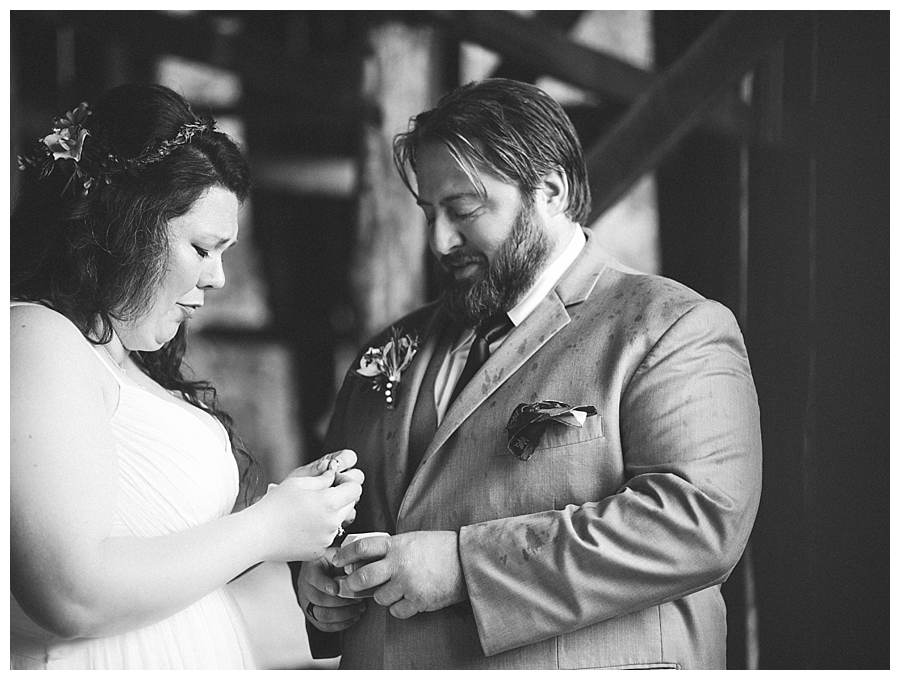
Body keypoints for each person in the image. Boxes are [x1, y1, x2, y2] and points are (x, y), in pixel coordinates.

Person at [296, 78, 762, 670]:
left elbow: (697, 523)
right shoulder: (393, 347)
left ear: (551, 189)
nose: (440, 240)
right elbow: (336, 515)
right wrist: (318, 581)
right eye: (429, 213)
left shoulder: (673, 327)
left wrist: (466, 567)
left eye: (463, 209)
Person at [10, 84, 364, 670]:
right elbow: (70, 595)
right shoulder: (36, 337)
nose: (219, 277)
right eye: (203, 247)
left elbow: (162, 559)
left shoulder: (119, 356)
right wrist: (265, 528)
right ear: (126, 225)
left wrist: (291, 515)